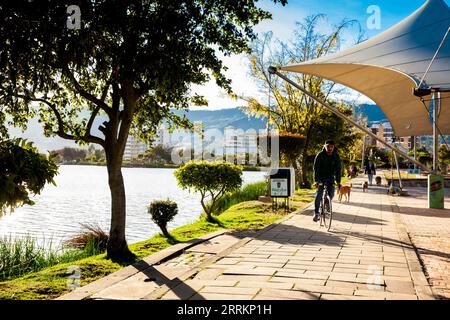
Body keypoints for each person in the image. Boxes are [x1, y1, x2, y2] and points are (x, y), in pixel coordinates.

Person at [313, 139, 342, 222]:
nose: (329, 148)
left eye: (331, 147)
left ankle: (326, 203)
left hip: (330, 177)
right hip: (320, 177)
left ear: (333, 147)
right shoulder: (320, 155)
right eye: (328, 146)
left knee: (331, 193)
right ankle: (316, 213)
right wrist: (316, 181)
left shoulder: (336, 156)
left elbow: (338, 169)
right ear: (324, 146)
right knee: (319, 194)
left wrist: (338, 181)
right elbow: (316, 169)